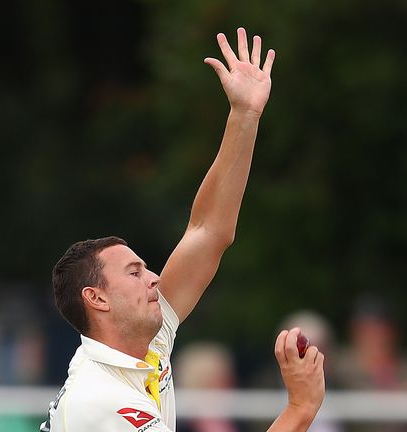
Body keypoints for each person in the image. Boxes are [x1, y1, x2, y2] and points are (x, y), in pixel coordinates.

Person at [40, 28, 325, 432]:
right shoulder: (101, 400)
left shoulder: (142, 346)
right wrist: (299, 408)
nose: (155, 278)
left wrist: (244, 115)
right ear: (96, 298)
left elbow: (208, 231)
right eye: (134, 273)